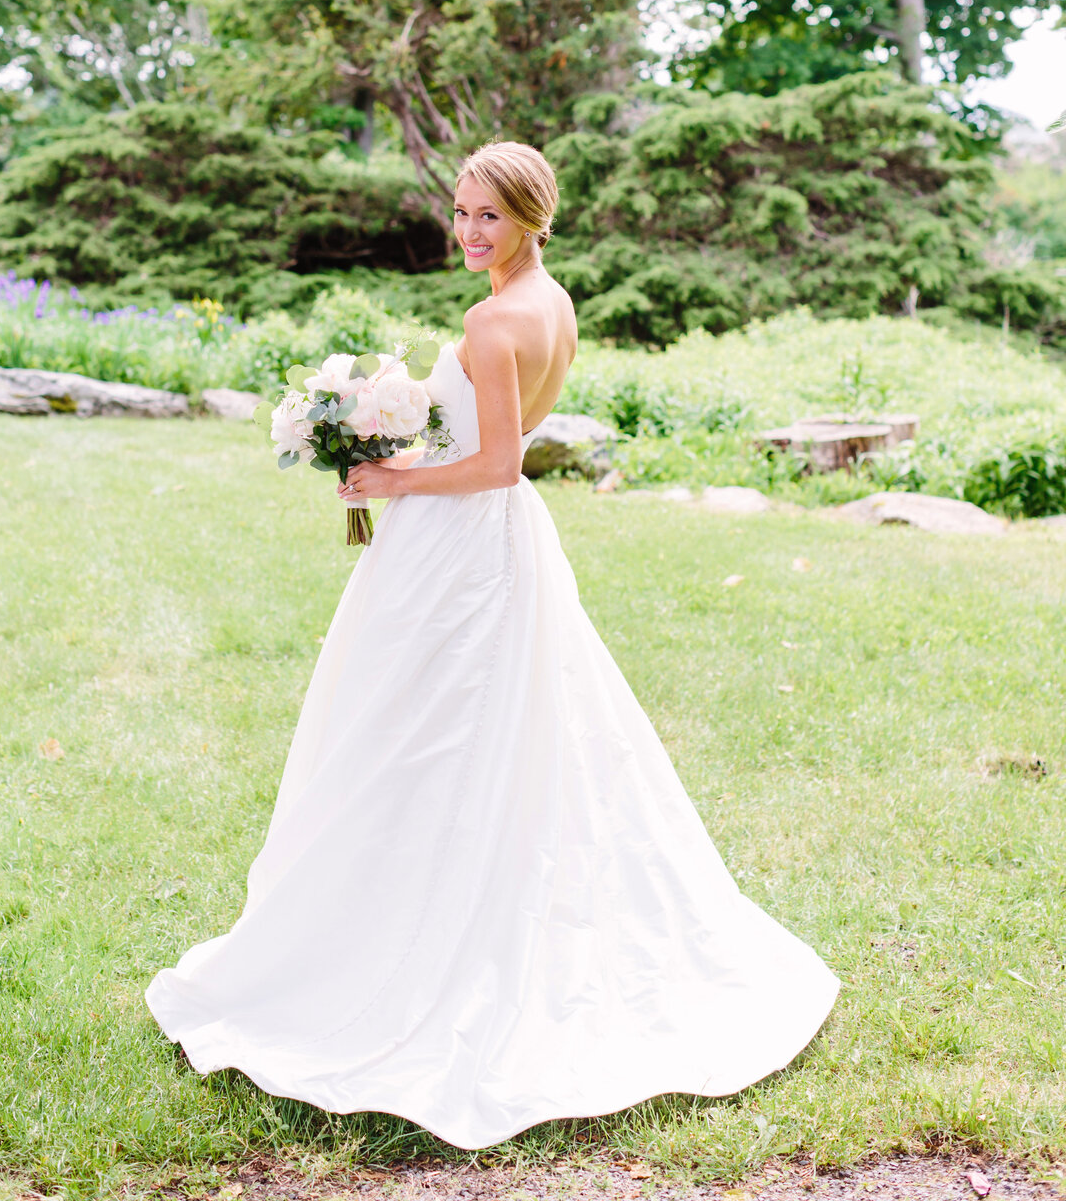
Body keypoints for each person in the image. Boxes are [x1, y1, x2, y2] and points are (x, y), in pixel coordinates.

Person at [145, 140, 838, 1149]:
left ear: (530, 219)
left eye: (488, 217)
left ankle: (408, 941)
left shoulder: (492, 316)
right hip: (493, 545)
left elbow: (501, 465)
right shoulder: (551, 305)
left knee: (412, 731)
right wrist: (403, 448)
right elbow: (484, 440)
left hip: (466, 548)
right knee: (488, 729)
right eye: (461, 212)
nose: (468, 232)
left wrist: (391, 481)